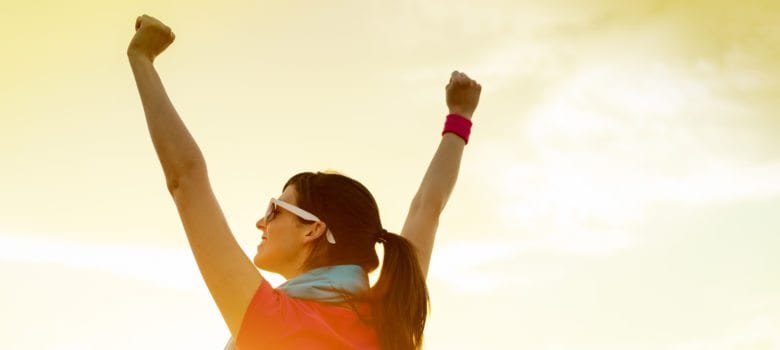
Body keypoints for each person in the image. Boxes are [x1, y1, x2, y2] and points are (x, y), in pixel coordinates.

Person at [127, 14, 482, 350]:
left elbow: (186, 179)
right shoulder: (392, 320)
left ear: (313, 230)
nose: (261, 221)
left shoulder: (274, 321)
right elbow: (427, 209)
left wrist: (142, 59)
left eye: (275, 209)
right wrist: (459, 118)